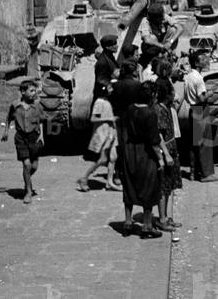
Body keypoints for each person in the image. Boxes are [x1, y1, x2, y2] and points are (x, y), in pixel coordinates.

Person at [120, 82, 169, 238]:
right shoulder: (149, 114)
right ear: (152, 96)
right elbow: (154, 141)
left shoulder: (130, 109)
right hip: (145, 153)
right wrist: (161, 159)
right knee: (149, 187)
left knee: (129, 185)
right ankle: (147, 225)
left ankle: (128, 222)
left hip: (129, 150)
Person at [1, 80, 44, 204]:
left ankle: (27, 179)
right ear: (23, 92)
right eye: (31, 91)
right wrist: (6, 132)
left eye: (35, 90)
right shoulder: (15, 105)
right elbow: (9, 118)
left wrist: (41, 136)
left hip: (34, 137)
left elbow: (41, 121)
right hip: (21, 138)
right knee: (26, 164)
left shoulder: (37, 106)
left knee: (34, 166)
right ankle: (28, 191)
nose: (34, 93)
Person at [184, 52, 218, 183]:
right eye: (203, 59)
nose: (207, 61)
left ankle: (193, 172)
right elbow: (202, 98)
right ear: (197, 63)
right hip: (201, 110)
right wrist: (210, 94)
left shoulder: (188, 76)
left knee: (194, 144)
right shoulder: (198, 78)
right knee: (205, 144)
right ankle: (206, 173)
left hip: (192, 110)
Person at [78, 83, 120, 192]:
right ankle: (84, 178)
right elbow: (93, 118)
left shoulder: (106, 101)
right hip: (102, 134)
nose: (111, 90)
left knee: (113, 158)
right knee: (102, 160)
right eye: (109, 88)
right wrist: (109, 118)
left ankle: (109, 182)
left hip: (110, 134)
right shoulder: (99, 102)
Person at [154, 79, 183, 232]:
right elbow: (158, 134)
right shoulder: (159, 110)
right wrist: (166, 154)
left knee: (169, 186)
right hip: (165, 150)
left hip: (171, 147)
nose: (174, 94)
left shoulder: (166, 107)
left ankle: (165, 215)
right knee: (163, 186)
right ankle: (162, 219)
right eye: (172, 92)